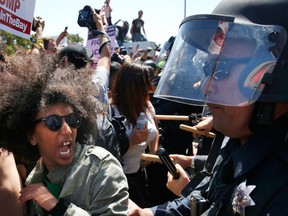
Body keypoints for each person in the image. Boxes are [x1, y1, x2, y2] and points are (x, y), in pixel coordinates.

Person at [128, 0, 288, 215]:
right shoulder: (238, 143)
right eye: (207, 68)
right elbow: (211, 199)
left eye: (221, 70)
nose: (206, 85)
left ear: (277, 77)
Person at [0, 51, 128, 215]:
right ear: (32, 136)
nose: (67, 129)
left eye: (72, 119)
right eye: (53, 122)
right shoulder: (35, 178)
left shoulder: (102, 168)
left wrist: (58, 207)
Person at [110, 62, 159, 208]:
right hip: (119, 179)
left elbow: (155, 130)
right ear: (131, 87)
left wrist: (153, 152)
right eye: (145, 86)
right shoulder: (111, 111)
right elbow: (105, 148)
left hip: (139, 173)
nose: (150, 90)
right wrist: (131, 140)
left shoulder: (147, 106)